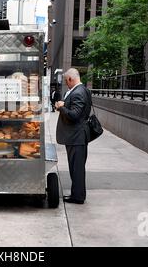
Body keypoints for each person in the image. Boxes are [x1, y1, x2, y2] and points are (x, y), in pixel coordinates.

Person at [55, 68, 92, 204]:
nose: (66, 83)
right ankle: (77, 194)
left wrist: (61, 107)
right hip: (77, 136)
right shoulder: (82, 90)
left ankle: (77, 197)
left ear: (70, 79)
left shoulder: (78, 92)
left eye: (66, 80)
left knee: (76, 168)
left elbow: (75, 115)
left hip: (76, 136)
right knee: (77, 167)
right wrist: (66, 105)